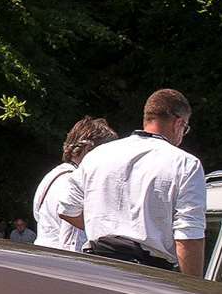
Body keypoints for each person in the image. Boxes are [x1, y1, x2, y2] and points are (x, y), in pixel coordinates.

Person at [73, 90, 206, 274]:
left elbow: (67, 208)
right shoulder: (185, 164)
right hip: (148, 273)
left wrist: (105, 226)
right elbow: (189, 236)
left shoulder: (98, 155)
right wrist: (195, 292)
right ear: (178, 123)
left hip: (95, 267)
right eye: (185, 129)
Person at [32, 117, 117, 254]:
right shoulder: (76, 182)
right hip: (62, 262)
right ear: (88, 149)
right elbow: (72, 240)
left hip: (42, 254)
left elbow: (38, 216)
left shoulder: (53, 176)